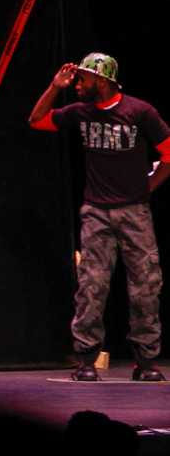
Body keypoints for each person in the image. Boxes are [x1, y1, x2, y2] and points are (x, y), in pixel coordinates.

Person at [28, 54, 168, 381]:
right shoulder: (80, 113)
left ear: (101, 81)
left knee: (145, 285)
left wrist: (146, 189)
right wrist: (54, 86)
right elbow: (36, 120)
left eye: (83, 80)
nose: (78, 85)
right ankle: (86, 359)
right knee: (92, 285)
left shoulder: (139, 112)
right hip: (96, 212)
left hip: (134, 212)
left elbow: (168, 152)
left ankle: (145, 361)